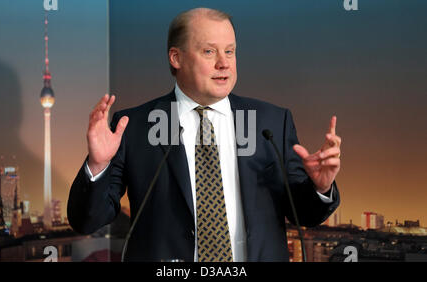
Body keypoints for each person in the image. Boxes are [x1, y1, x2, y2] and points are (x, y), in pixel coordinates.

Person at [67, 7, 341, 262]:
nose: (224, 63)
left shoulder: (270, 122)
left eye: (230, 52)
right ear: (176, 58)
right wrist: (98, 166)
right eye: (209, 52)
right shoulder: (136, 126)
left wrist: (320, 188)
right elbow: (87, 221)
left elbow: (304, 214)